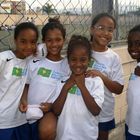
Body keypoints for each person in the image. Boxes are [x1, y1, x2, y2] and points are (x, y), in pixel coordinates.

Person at [19, 17, 70, 140]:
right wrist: (24, 100)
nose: (54, 44)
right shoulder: (34, 61)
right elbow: (27, 84)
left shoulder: (68, 65)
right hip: (30, 111)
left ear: (64, 40)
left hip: (50, 111)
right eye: (49, 40)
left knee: (47, 130)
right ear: (43, 42)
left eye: (58, 40)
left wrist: (52, 106)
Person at [52, 35, 104, 140]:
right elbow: (56, 111)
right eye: (74, 59)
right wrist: (66, 87)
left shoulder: (95, 81)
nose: (78, 64)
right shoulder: (62, 81)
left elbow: (96, 111)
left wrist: (81, 86)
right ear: (68, 60)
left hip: (87, 136)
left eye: (83, 60)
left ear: (89, 61)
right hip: (64, 137)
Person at [87, 13, 124, 140]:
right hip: (81, 110)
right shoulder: (82, 50)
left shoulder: (113, 57)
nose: (105, 33)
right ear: (92, 29)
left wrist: (101, 76)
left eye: (110, 30)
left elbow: (119, 89)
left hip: (104, 111)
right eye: (101, 28)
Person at [0, 22, 39, 140]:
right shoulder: (4, 58)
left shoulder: (32, 60)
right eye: (23, 41)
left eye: (32, 42)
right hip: (3, 121)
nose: (28, 46)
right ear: (15, 40)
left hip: (22, 120)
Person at [125, 25, 140, 140]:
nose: (133, 47)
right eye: (130, 44)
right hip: (131, 123)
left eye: (138, 43)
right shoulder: (137, 67)